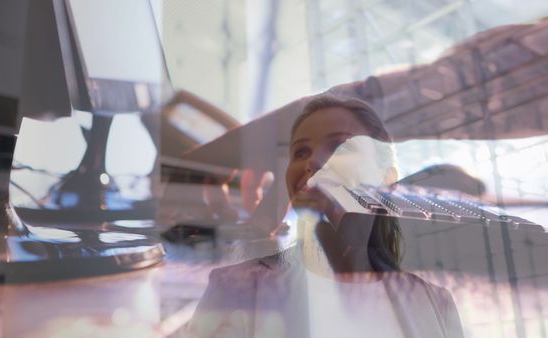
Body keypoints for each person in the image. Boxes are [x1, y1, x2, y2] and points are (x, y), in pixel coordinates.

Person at [184, 95, 464, 338]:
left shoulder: (434, 304)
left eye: (339, 147)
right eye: (300, 152)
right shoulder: (235, 289)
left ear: (386, 179)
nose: (312, 161)